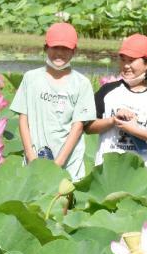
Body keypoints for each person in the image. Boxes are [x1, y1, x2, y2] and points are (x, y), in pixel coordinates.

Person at [10, 23, 96, 180]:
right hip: (34, 157)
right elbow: (23, 119)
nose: (60, 53)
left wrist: (58, 163)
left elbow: (78, 127)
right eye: (55, 47)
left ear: (74, 51)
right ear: (45, 48)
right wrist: (30, 155)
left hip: (68, 161)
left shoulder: (82, 83)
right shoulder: (31, 78)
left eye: (65, 49)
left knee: (62, 201)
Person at [86, 34, 147, 175]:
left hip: (145, 173)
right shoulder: (108, 91)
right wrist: (113, 120)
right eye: (123, 60)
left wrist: (136, 131)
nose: (126, 65)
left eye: (132, 60)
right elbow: (88, 127)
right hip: (108, 172)